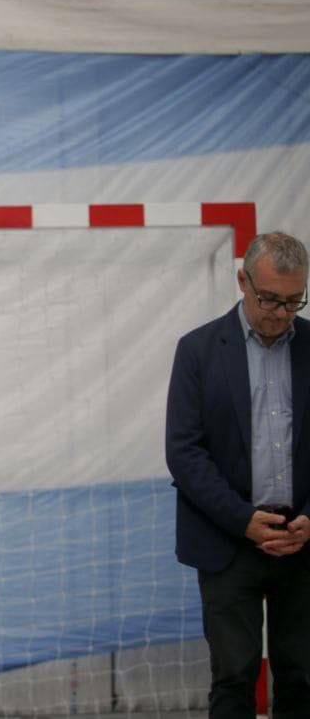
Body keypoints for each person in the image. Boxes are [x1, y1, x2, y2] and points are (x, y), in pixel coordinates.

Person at [166, 230, 310, 718]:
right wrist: (243, 519)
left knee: (303, 677)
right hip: (227, 543)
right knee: (233, 678)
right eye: (269, 298)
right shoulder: (197, 351)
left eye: (294, 302)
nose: (280, 312)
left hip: (304, 541)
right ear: (242, 281)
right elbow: (184, 453)